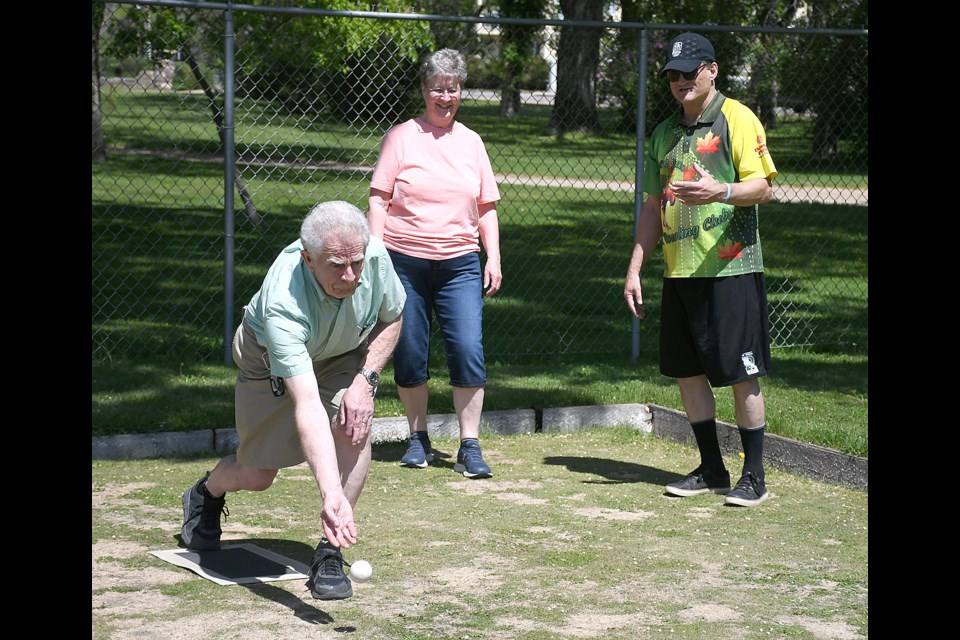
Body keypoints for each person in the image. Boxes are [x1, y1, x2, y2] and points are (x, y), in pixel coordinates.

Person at [179, 200, 406, 599]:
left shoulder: (373, 255)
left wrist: (365, 379)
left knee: (355, 429)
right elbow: (307, 407)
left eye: (355, 263)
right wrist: (328, 490)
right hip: (267, 362)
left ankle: (330, 549)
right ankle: (207, 493)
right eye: (336, 265)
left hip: (341, 353)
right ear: (308, 259)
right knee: (257, 476)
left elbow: (393, 315)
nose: (350, 276)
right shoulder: (284, 302)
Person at [623, 32, 778, 507]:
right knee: (687, 373)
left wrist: (722, 192)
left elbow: (764, 188)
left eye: (690, 72)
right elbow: (652, 208)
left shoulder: (737, 118)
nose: (680, 81)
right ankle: (712, 468)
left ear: (713, 70)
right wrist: (635, 267)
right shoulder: (665, 134)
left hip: (732, 269)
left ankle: (754, 477)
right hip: (679, 273)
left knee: (739, 373)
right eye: (672, 74)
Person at [367, 48, 502, 479]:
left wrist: (493, 255)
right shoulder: (401, 137)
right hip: (404, 261)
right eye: (438, 89)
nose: (446, 97)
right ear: (424, 91)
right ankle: (417, 438)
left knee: (467, 349)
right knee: (409, 353)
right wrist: (375, 254)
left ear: (461, 91)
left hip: (460, 262)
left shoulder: (473, 142)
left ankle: (470, 444)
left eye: (454, 89)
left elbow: (486, 206)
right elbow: (379, 199)